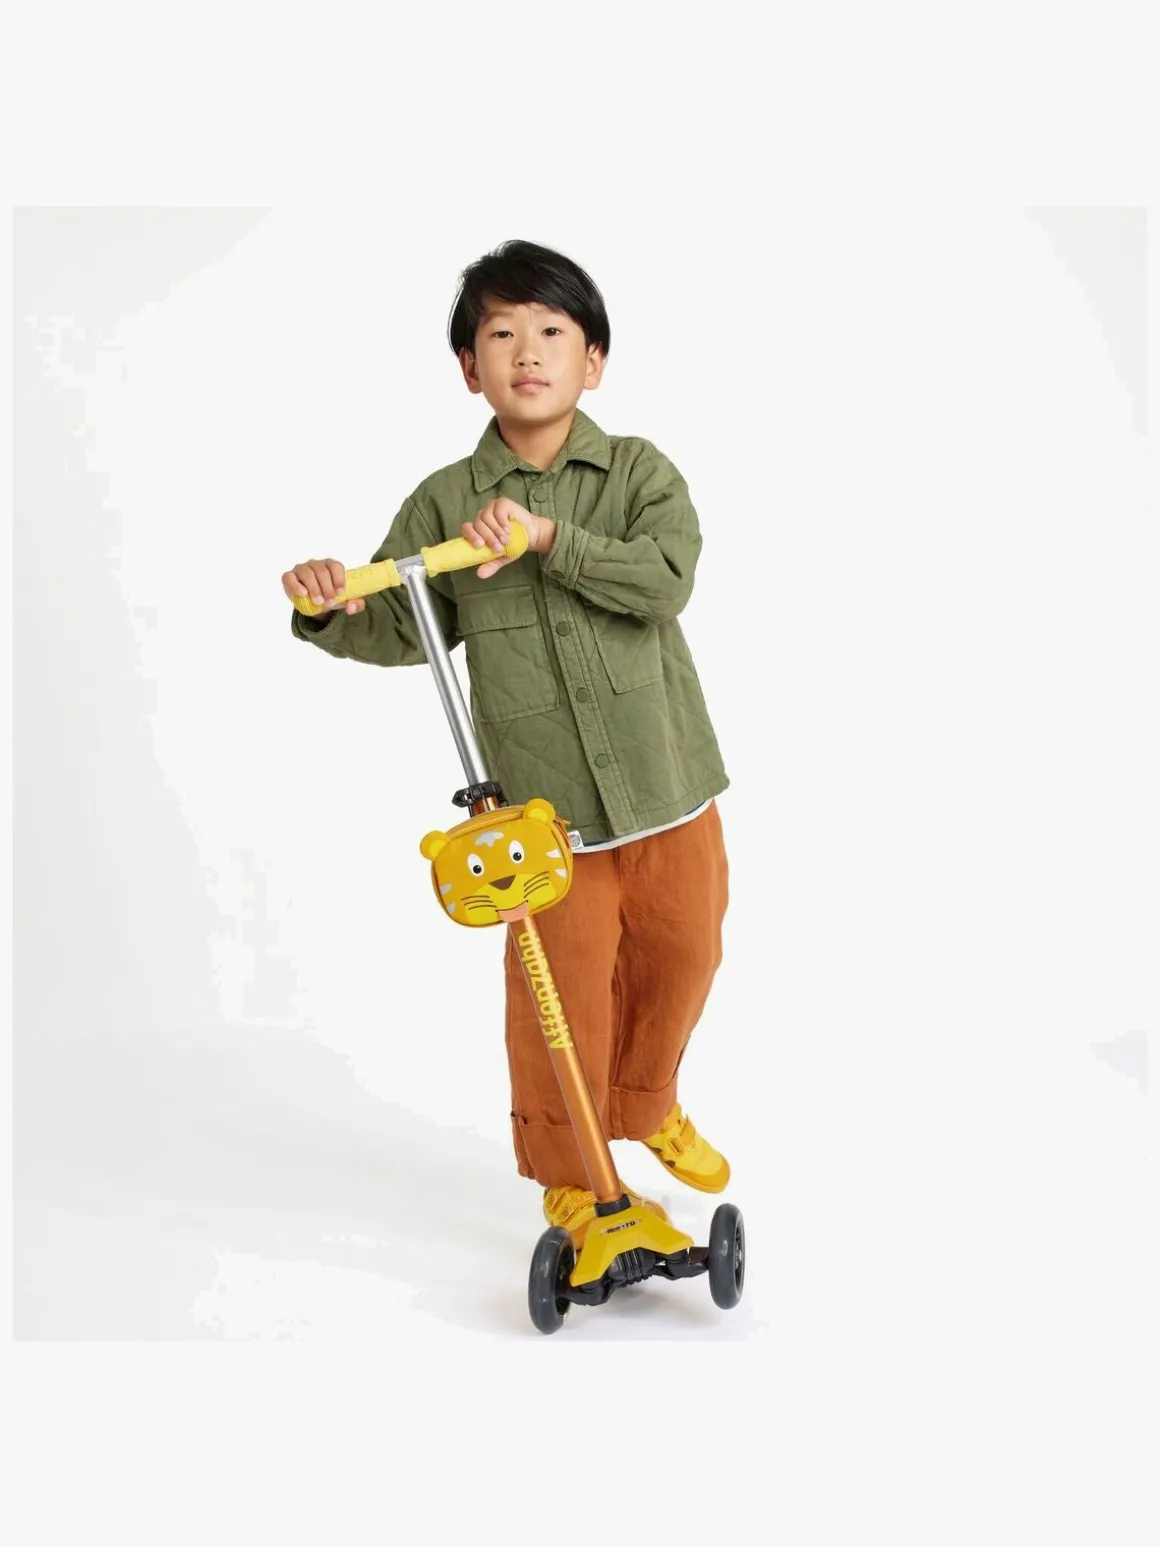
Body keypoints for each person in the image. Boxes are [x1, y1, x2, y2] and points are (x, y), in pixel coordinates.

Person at [281, 239, 732, 1246]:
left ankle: (644, 1101)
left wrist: (546, 538)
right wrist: (327, 604)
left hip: (666, 782)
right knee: (557, 997)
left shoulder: (638, 471)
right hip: (542, 816)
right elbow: (400, 626)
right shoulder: (443, 502)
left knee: (686, 951)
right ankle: (574, 1177)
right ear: (468, 367)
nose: (527, 351)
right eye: (500, 333)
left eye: (551, 331)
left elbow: (665, 580)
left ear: (592, 360)